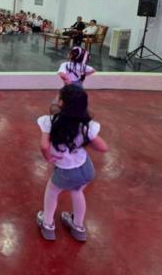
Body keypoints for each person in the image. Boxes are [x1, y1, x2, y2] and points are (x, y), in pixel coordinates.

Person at [36, 84, 109, 242]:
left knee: (52, 191)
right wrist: (83, 142)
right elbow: (104, 147)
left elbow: (44, 145)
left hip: (66, 170)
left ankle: (47, 224)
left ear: (61, 103)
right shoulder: (86, 126)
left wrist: (48, 158)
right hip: (86, 169)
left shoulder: (50, 121)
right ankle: (78, 227)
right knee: (77, 192)